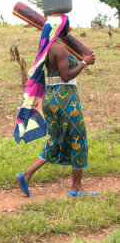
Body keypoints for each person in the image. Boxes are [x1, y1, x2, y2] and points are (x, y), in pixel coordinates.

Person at [14, 15, 97, 197]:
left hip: (51, 97)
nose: (69, 30)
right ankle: (76, 189)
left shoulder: (47, 47)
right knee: (78, 138)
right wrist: (84, 63)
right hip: (66, 98)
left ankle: (26, 175)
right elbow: (66, 76)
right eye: (67, 27)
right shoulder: (59, 48)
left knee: (55, 139)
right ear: (61, 29)